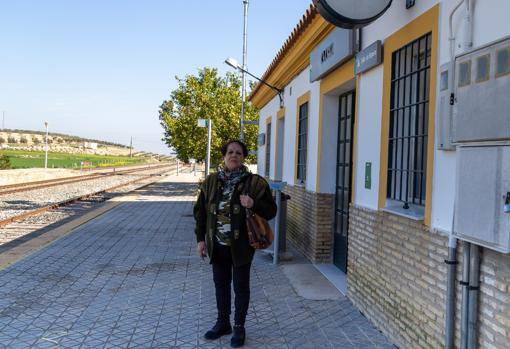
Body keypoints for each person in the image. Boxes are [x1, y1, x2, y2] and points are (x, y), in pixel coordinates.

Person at [193, 140, 277, 348]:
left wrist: (253, 203)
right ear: (224, 156)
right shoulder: (210, 182)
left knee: (240, 287)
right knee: (220, 285)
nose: (234, 155)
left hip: (241, 247)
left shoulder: (255, 183)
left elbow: (271, 210)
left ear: (243, 157)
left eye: (238, 153)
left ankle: (239, 327)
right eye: (230, 152)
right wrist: (201, 240)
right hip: (217, 244)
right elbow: (200, 213)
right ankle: (223, 323)